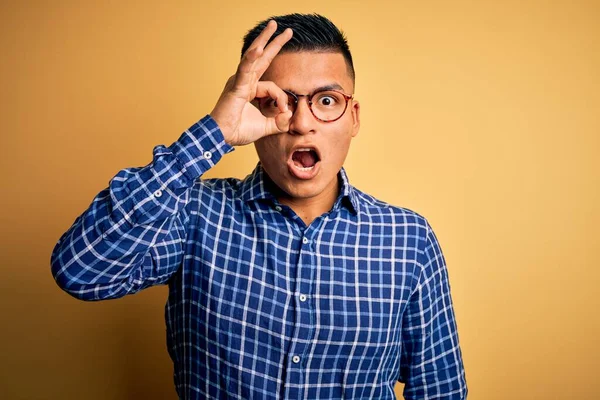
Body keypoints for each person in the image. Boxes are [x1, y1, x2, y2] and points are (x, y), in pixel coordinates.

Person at [51, 13, 467, 400]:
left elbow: (439, 389)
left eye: (326, 101)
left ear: (353, 117)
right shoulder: (193, 213)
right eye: (276, 101)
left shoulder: (408, 241)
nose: (302, 122)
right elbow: (80, 271)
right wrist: (214, 132)